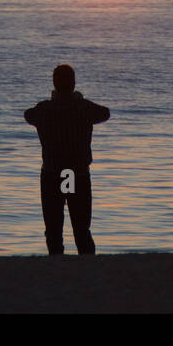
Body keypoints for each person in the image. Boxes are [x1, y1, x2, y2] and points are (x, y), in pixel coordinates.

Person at [24, 64, 110, 255]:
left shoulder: (44, 109)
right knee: (81, 229)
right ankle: (86, 265)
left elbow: (28, 115)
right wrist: (78, 99)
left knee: (54, 229)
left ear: (54, 84)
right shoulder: (83, 108)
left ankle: (57, 263)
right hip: (74, 174)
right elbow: (105, 113)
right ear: (73, 83)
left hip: (53, 174)